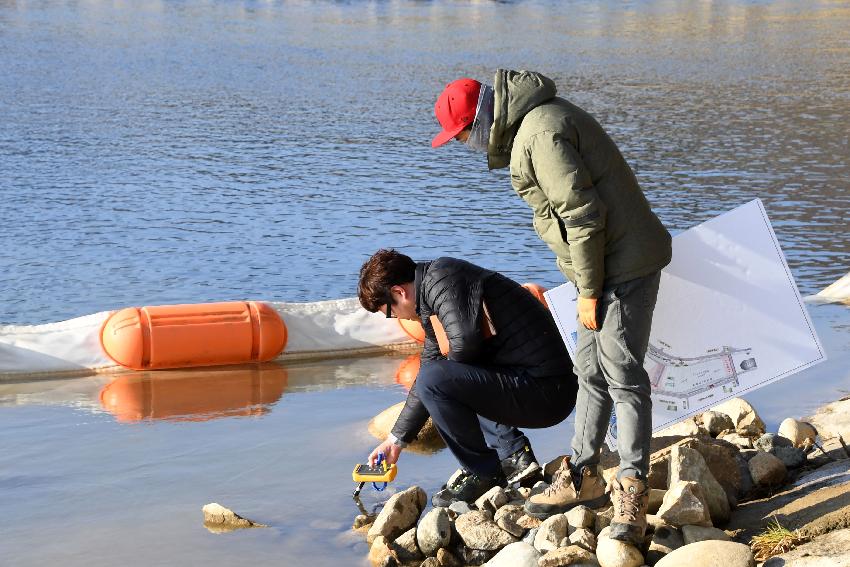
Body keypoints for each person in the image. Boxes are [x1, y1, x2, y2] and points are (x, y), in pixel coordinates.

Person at [431, 70, 672, 545]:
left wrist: (587, 290)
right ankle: (583, 474)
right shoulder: (532, 127)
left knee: (622, 373)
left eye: (459, 136)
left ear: (479, 122)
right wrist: (586, 282)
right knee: (589, 370)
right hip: (604, 265)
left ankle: (632, 490)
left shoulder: (540, 134)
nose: (462, 146)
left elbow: (582, 215)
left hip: (621, 266)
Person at [359, 249, 578, 506]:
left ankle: (483, 472)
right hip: (533, 387)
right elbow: (431, 374)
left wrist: (450, 387)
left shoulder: (442, 277)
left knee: (439, 378)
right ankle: (513, 458)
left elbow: (464, 346)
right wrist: (395, 441)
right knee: (436, 377)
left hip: (548, 391)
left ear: (399, 292)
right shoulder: (432, 297)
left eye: (390, 312)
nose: (397, 318)